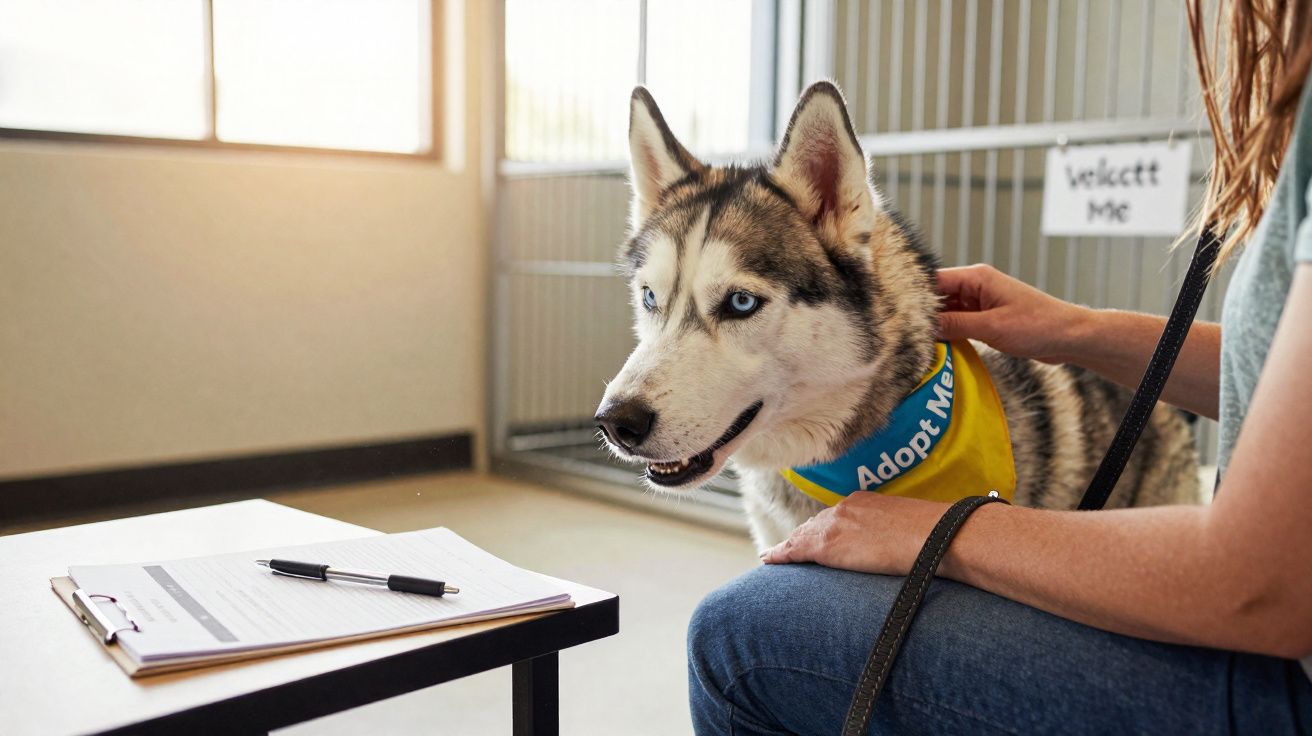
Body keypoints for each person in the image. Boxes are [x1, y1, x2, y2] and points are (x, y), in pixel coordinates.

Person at [688, 1, 1312, 733]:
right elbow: (1273, 374)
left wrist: (939, 531)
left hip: (1281, 682)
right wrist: (1076, 331)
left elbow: (1262, 586)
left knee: (736, 636)